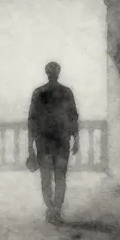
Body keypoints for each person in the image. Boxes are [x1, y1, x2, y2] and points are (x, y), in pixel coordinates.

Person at [27, 61, 79, 224]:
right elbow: (73, 118)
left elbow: (32, 121)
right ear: (58, 73)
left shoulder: (38, 92)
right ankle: (56, 210)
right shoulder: (66, 92)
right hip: (61, 141)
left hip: (43, 142)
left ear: (47, 73)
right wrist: (76, 139)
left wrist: (30, 146)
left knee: (46, 178)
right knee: (60, 177)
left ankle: (51, 209)